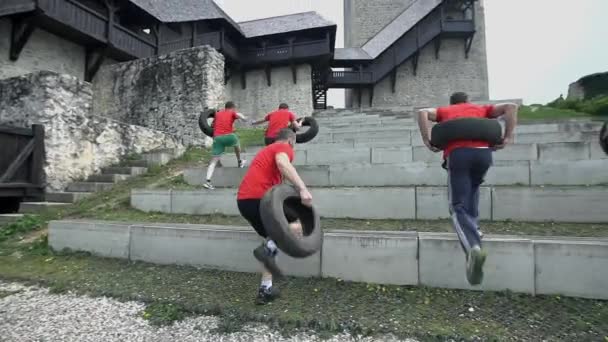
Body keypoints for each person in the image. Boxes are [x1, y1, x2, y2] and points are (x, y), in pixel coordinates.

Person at [417, 92, 518, 286]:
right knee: (473, 188)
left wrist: (427, 140)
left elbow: (422, 113)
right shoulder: (482, 110)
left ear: (452, 103)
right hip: (484, 155)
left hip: (459, 153)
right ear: (467, 101)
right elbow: (511, 107)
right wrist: (507, 137)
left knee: (457, 206)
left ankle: (473, 248)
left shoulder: (445, 111)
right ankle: (476, 229)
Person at [236, 128, 313, 305]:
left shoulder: (266, 151)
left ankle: (265, 290)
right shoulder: (284, 147)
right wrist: (303, 189)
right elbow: (283, 163)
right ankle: (268, 248)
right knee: (302, 220)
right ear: (291, 141)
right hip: (261, 198)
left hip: (245, 202)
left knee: (273, 240)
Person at [203, 101, 248, 190]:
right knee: (236, 142)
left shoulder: (218, 114)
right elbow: (240, 116)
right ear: (233, 107)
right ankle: (239, 161)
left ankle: (207, 181)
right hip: (228, 136)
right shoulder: (232, 112)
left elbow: (213, 125)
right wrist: (244, 118)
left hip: (217, 138)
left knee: (213, 161)